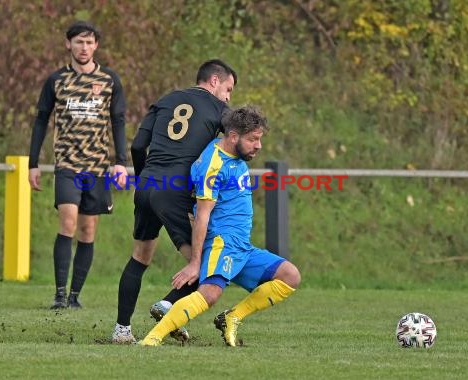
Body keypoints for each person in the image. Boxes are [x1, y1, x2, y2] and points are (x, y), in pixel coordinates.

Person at [138, 105, 301, 347]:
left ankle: (231, 318)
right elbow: (202, 215)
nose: (258, 146)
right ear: (233, 137)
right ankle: (151, 340)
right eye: (253, 140)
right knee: (210, 294)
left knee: (289, 276)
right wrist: (195, 262)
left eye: (259, 139)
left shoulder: (231, 153)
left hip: (241, 247)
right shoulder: (213, 166)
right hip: (222, 243)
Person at [111, 59, 237, 343]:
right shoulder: (220, 110)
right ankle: (168, 307)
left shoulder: (166, 100)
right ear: (214, 81)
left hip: (147, 184)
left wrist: (144, 179)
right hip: (175, 189)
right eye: (228, 89)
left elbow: (137, 146)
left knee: (140, 257)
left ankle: (121, 330)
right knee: (206, 264)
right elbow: (234, 142)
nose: (229, 97)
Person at [28, 21, 128, 309]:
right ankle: (59, 294)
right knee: (68, 222)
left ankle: (74, 297)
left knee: (87, 230)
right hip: (67, 165)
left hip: (97, 167)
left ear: (96, 45)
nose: (84, 47)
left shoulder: (110, 80)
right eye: (78, 42)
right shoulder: (56, 80)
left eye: (89, 42)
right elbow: (40, 121)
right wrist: (33, 163)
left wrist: (120, 162)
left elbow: (118, 121)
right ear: (68, 44)